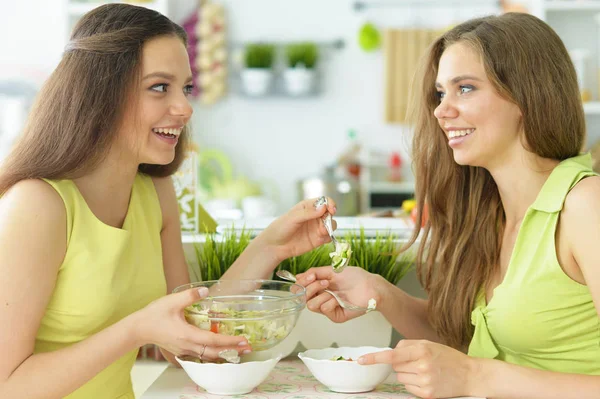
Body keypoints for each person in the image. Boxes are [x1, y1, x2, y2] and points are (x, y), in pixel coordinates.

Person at [0, 4, 337, 399]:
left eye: (185, 88)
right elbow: (8, 385)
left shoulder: (154, 193)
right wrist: (137, 328)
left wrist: (270, 246)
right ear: (101, 93)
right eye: (160, 87)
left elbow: (188, 341)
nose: (185, 107)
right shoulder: (38, 205)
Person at [297, 12, 600, 399]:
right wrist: (381, 293)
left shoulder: (585, 207)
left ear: (527, 94)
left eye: (466, 88)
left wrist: (477, 377)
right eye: (441, 93)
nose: (442, 110)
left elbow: (475, 371)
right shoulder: (491, 214)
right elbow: (474, 345)